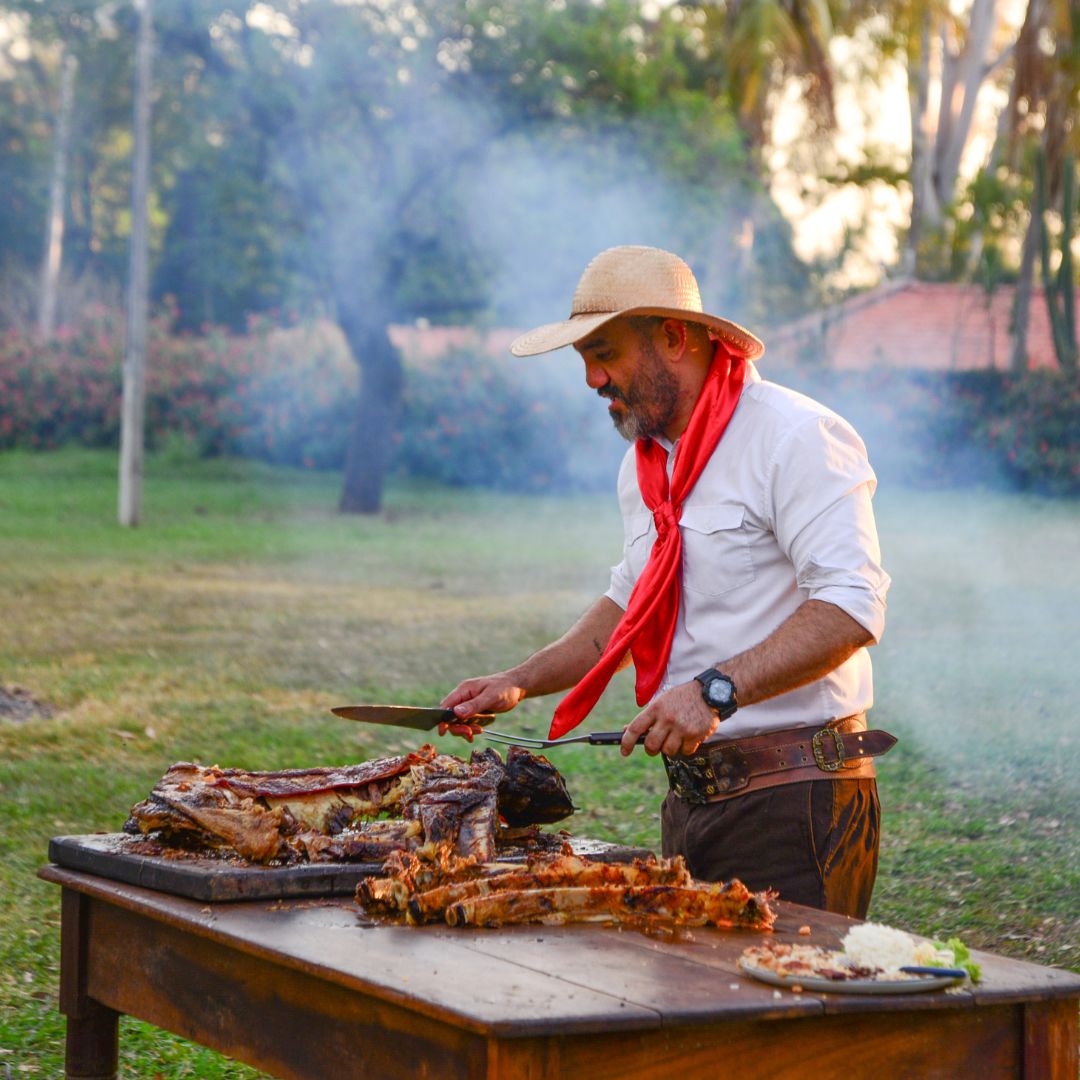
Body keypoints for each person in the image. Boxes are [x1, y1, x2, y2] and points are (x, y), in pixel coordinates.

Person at [441, 245, 893, 918]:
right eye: (585, 361)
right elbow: (627, 606)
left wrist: (713, 692)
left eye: (605, 353)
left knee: (780, 1014)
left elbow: (852, 607)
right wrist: (518, 681)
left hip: (796, 801)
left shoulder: (796, 436)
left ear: (674, 337)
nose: (593, 379)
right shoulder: (646, 466)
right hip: (691, 801)